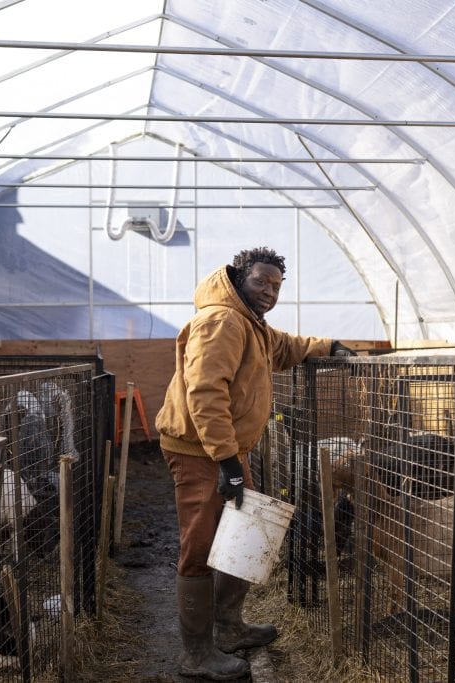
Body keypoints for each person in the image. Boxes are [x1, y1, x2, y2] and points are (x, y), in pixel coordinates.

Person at [156, 246, 354, 680]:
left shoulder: (252, 323)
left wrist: (330, 346)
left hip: (227, 449)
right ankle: (197, 654)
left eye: (277, 285)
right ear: (238, 277)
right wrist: (227, 461)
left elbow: (285, 347)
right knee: (201, 547)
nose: (269, 291)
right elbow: (205, 392)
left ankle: (229, 627)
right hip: (199, 450)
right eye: (261, 281)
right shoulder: (221, 321)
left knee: (251, 528)